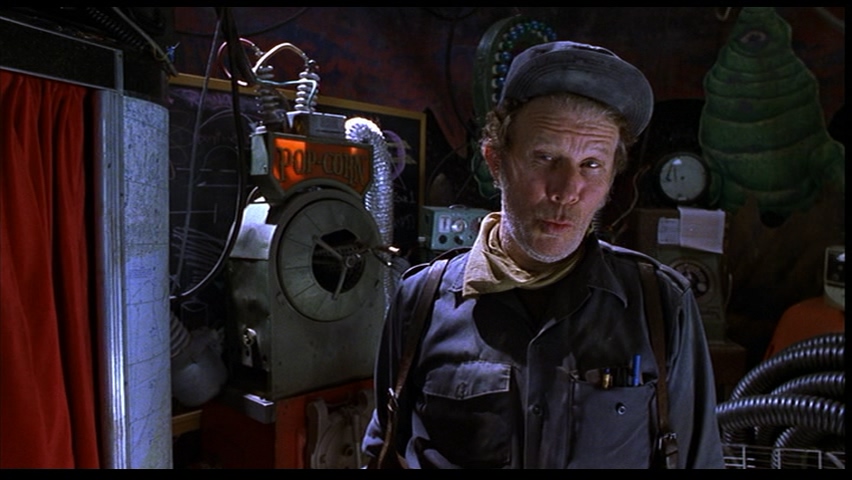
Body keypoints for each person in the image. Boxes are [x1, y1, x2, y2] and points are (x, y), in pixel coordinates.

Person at [361, 40, 725, 469]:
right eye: (545, 157)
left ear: (612, 177)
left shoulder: (662, 305)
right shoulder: (420, 300)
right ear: (496, 161)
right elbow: (383, 451)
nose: (567, 190)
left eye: (591, 164)